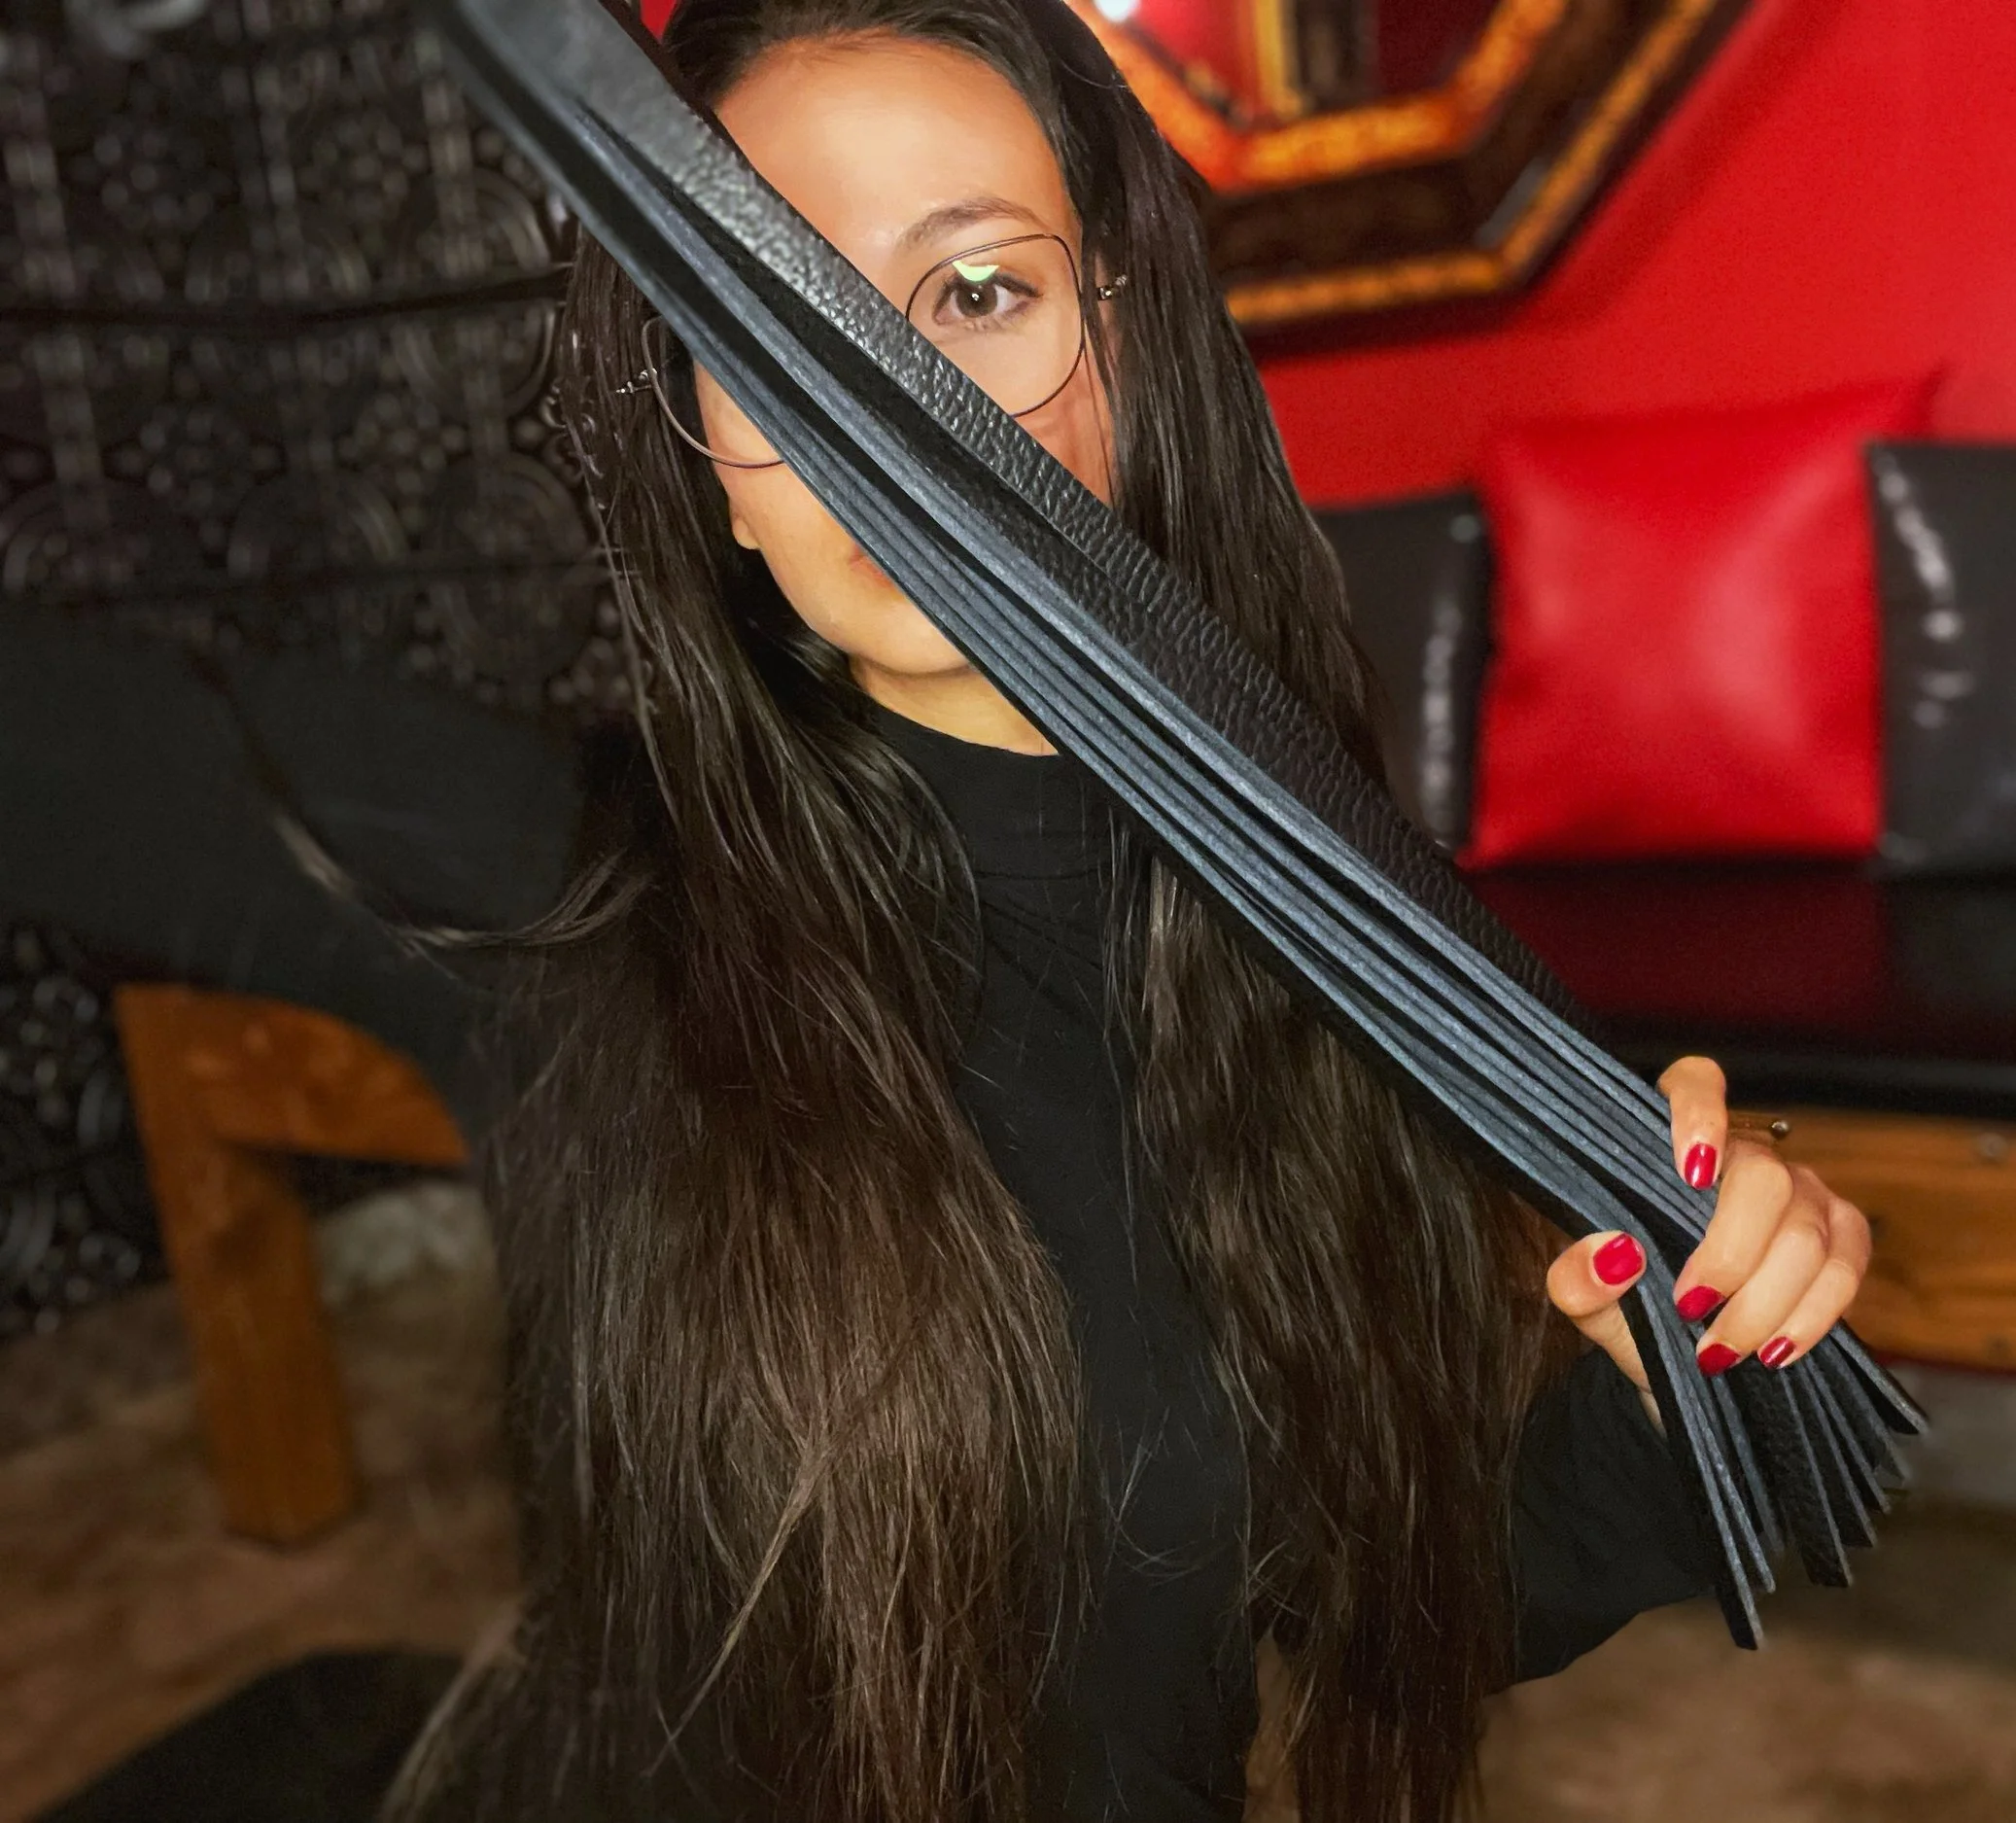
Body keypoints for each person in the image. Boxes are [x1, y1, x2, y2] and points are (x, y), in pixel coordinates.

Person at [389, 2, 1875, 1818]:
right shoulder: (543, 882)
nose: (885, 417)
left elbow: (1371, 1594)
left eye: (976, 294)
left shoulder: (1312, 928)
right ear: (697, 436)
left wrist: (1661, 1386)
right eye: (779, 327)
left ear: (1125, 335)